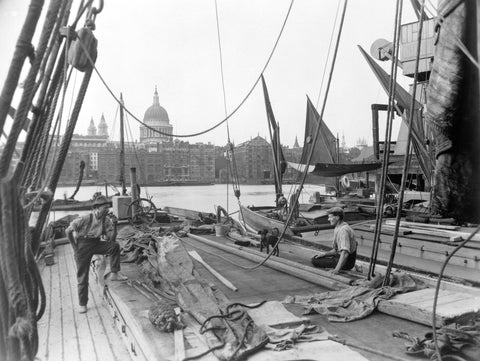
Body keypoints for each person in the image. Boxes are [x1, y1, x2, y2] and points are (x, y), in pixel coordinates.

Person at [65, 195, 127, 313]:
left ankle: (114, 273)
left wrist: (114, 226)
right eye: (105, 208)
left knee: (114, 247)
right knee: (82, 276)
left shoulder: (106, 220)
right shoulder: (85, 219)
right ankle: (82, 303)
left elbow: (111, 240)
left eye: (108, 207)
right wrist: (74, 247)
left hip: (96, 243)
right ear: (96, 208)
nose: (108, 210)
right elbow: (68, 231)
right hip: (82, 246)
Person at [311, 207, 357, 274]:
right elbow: (336, 250)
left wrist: (336, 270)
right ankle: (354, 266)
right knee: (317, 257)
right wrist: (324, 255)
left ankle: (346, 267)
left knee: (314, 260)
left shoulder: (343, 230)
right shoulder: (339, 227)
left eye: (330, 217)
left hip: (347, 263)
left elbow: (345, 253)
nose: (328, 219)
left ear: (337, 217)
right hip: (341, 257)